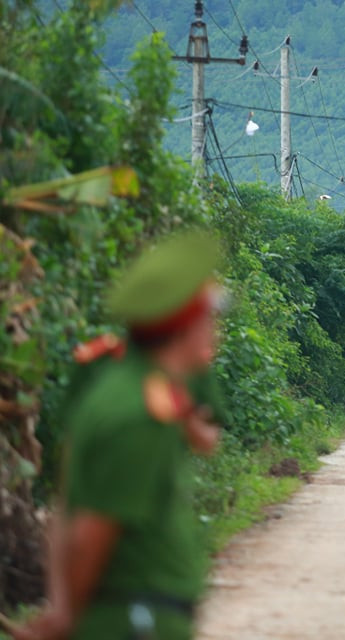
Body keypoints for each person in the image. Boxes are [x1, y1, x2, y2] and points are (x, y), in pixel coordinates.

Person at [11, 231, 225, 640]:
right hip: (134, 618)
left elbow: (65, 503)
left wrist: (62, 609)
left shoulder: (115, 389)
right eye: (208, 313)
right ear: (186, 324)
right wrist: (67, 614)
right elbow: (94, 528)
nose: (214, 326)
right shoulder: (139, 415)